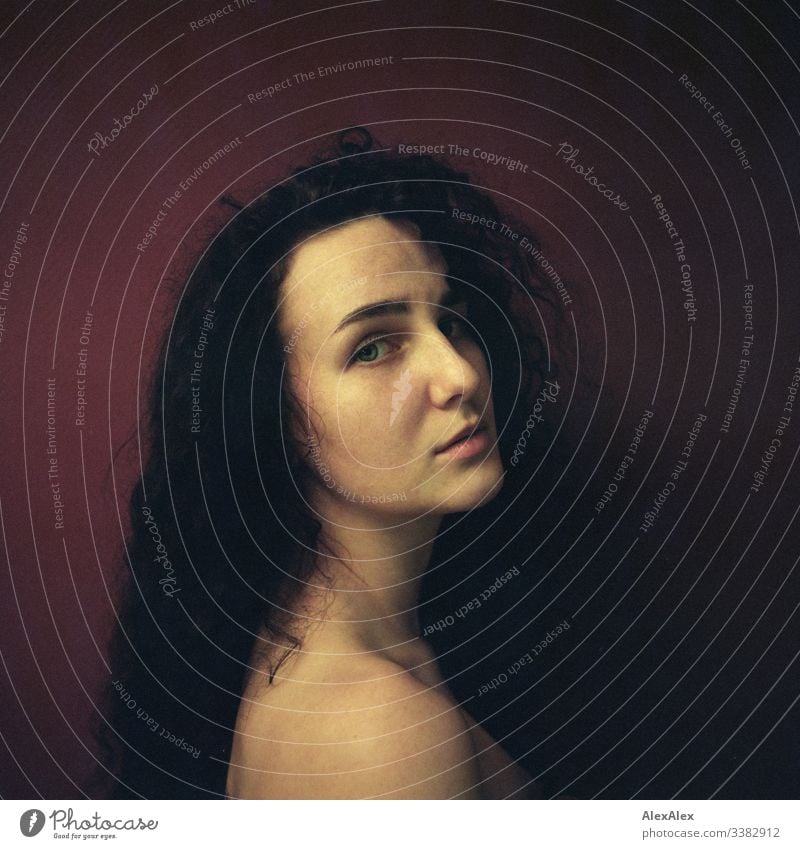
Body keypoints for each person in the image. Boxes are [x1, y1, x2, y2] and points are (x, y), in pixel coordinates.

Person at [93, 127, 555, 799]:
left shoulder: (315, 644)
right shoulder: (378, 734)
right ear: (272, 415)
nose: (458, 373)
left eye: (450, 320)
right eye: (373, 348)